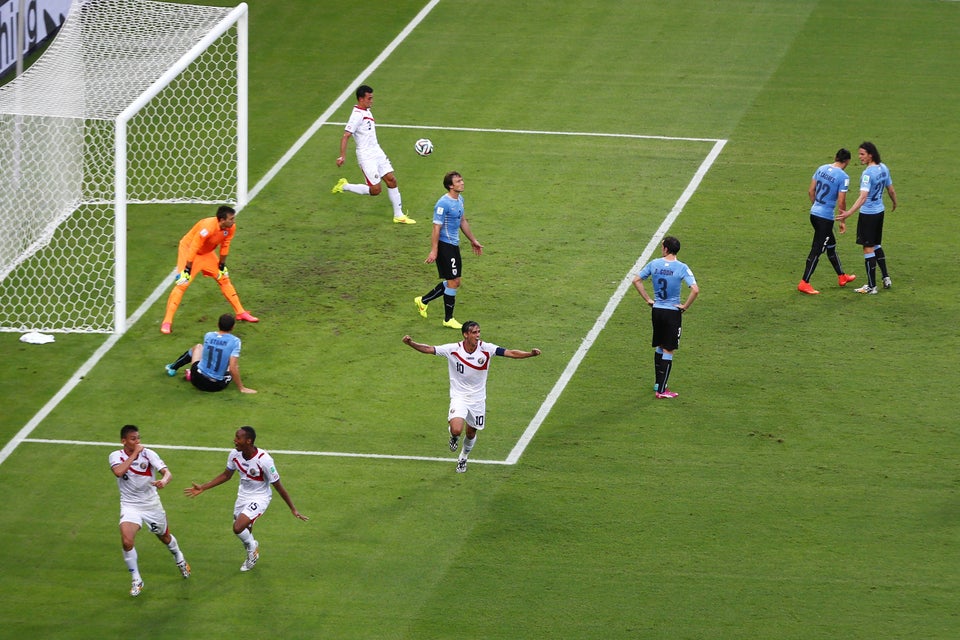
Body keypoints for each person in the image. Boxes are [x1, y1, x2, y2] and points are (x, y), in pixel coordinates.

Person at [402, 321, 541, 473]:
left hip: (478, 399)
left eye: (479, 332)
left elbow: (511, 353)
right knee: (456, 430)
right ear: (465, 334)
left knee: (471, 433)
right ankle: (454, 437)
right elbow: (429, 349)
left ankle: (463, 457)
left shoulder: (486, 348)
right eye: (474, 332)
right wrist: (411, 343)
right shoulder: (453, 349)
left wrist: (530, 354)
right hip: (459, 396)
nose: (478, 335)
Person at [183, 426, 308, 572]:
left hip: (260, 497)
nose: (234, 440)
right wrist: (203, 487)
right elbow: (226, 475)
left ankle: (252, 549)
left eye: (238, 437)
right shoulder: (235, 455)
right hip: (243, 495)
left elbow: (278, 486)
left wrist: (293, 509)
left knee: (238, 527)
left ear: (248, 441)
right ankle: (252, 548)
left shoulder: (265, 460)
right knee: (245, 528)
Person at [109, 424, 190, 597]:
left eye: (138, 438)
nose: (137, 442)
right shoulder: (116, 456)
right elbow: (118, 472)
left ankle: (179, 558)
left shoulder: (149, 453)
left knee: (165, 537)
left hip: (151, 505)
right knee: (126, 541)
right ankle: (136, 579)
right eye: (133, 439)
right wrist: (135, 455)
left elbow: (167, 473)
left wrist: (164, 481)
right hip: (130, 505)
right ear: (123, 441)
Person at [160, 205, 259, 334]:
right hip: (190, 252)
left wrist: (222, 264)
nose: (234, 221)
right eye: (231, 219)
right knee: (182, 284)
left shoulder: (230, 228)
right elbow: (194, 247)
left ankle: (240, 312)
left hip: (207, 253)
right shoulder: (207, 227)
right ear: (222, 220)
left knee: (224, 279)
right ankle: (167, 322)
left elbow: (225, 245)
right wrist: (187, 268)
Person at [331, 84, 415, 225]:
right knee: (376, 190)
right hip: (366, 156)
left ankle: (398, 215)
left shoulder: (367, 111)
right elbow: (346, 136)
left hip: (377, 151)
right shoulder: (357, 115)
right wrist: (342, 156)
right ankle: (344, 186)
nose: (372, 101)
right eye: (369, 98)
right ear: (361, 99)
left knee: (391, 180)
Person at [413, 171, 483, 330]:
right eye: (458, 181)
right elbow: (436, 228)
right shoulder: (442, 204)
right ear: (450, 186)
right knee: (454, 281)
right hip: (445, 246)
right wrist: (434, 250)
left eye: (462, 180)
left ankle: (423, 301)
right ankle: (448, 319)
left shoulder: (460, 199)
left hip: (454, 245)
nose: (462, 182)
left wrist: (473, 240)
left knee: (455, 281)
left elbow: (462, 221)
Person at [631, 236, 699, 399]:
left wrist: (648, 299)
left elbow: (636, 280)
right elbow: (695, 290)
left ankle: (658, 382)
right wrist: (685, 306)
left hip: (657, 310)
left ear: (666, 249)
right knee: (669, 349)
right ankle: (661, 390)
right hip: (671, 312)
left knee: (660, 345)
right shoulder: (682, 268)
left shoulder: (654, 264)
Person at [837, 141, 898, 294]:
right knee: (876, 244)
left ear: (871, 154)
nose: (860, 157)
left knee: (868, 247)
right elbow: (890, 189)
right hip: (880, 212)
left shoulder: (867, 174)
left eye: (862, 154)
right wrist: (894, 202)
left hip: (869, 214)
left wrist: (849, 212)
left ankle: (871, 286)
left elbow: (863, 197)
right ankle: (886, 277)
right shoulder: (884, 168)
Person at [798, 148, 857, 294]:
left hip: (814, 214)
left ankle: (842, 276)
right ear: (847, 161)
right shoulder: (843, 177)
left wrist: (816, 206)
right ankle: (804, 282)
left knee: (831, 245)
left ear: (835, 157)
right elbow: (842, 200)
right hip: (825, 218)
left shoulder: (821, 168)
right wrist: (842, 220)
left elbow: (811, 190)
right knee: (817, 250)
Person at [164, 313, 257, 393]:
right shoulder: (235, 341)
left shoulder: (208, 335)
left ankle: (173, 368)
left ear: (218, 324)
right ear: (233, 327)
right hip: (214, 385)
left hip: (196, 377)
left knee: (198, 347)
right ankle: (189, 373)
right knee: (232, 367)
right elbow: (233, 368)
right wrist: (241, 387)